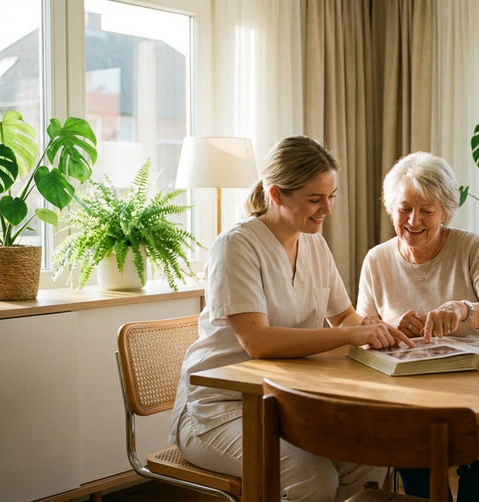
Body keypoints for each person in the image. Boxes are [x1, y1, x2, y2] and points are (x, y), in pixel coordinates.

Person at [169, 135, 412, 502]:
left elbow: (343, 315)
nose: (327, 210)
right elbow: (259, 343)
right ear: (277, 194)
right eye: (315, 199)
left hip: (287, 404)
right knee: (312, 479)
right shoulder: (236, 246)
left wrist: (375, 330)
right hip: (221, 409)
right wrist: (349, 337)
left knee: (368, 461)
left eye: (331, 197)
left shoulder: (312, 241)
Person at [357, 151, 479, 502]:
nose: (413, 220)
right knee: (413, 458)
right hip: (414, 400)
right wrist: (389, 326)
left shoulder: (470, 248)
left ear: (445, 212)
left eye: (426, 211)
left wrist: (466, 310)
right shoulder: (377, 259)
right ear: (391, 208)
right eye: (404, 209)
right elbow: (361, 332)